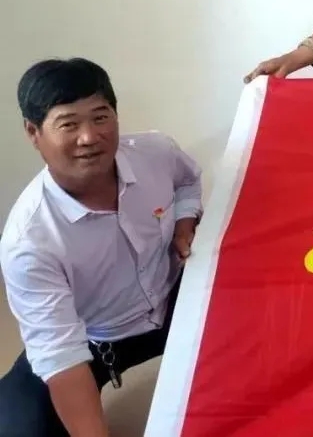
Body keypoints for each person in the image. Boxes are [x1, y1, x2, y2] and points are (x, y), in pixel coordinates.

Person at [0, 58, 203, 437]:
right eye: (68, 124)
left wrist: (184, 223)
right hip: (97, 337)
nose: (89, 137)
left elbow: (188, 182)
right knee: (18, 425)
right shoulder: (28, 242)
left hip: (176, 299)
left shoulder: (155, 152)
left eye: (100, 117)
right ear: (33, 132)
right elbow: (62, 356)